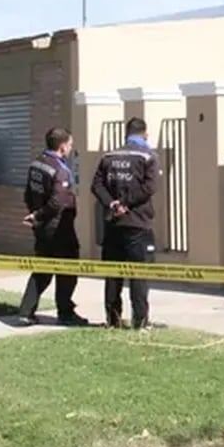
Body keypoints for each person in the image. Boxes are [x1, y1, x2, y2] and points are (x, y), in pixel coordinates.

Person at [91, 117, 158, 329]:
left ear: (126, 134)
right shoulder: (148, 156)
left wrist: (112, 204)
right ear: (145, 134)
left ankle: (113, 319)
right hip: (137, 223)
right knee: (138, 274)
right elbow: (149, 188)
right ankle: (140, 321)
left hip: (113, 223)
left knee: (113, 274)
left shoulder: (109, 156)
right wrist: (125, 203)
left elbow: (96, 185)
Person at [17, 127, 88, 326]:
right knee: (67, 269)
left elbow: (28, 193)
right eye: (70, 145)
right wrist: (39, 215)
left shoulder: (36, 164)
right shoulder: (60, 169)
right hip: (59, 228)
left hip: (41, 226)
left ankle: (26, 311)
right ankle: (65, 312)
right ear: (62, 146)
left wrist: (34, 215)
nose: (71, 148)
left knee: (42, 268)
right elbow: (58, 202)